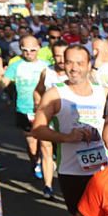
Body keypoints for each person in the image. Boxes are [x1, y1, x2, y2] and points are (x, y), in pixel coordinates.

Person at [31, 44, 108, 216]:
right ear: (63, 63)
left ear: (89, 64)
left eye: (80, 63)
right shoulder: (56, 94)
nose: (74, 68)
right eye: (70, 62)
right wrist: (66, 137)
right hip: (72, 171)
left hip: (102, 168)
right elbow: (38, 129)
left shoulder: (105, 93)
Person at [0, 35, 48, 182]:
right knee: (32, 143)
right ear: (20, 49)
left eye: (33, 50)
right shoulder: (16, 66)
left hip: (45, 109)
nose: (29, 53)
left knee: (46, 142)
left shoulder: (46, 65)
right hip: (24, 109)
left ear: (39, 48)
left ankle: (46, 163)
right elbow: (1, 86)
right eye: (25, 50)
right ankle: (36, 162)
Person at [31, 39, 68, 199]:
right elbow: (37, 91)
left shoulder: (75, 73)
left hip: (67, 120)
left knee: (65, 153)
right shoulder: (47, 72)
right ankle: (48, 186)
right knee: (46, 150)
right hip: (49, 118)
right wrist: (38, 106)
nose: (60, 60)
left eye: (63, 56)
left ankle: (66, 181)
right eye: (57, 56)